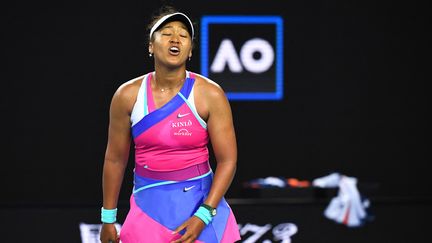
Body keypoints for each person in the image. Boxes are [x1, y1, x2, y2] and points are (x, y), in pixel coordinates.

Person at [99, 6, 241, 243]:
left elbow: (228, 161)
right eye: (166, 33)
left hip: (202, 205)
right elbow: (115, 159)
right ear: (151, 46)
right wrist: (108, 218)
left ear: (190, 52)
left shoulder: (210, 94)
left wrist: (204, 215)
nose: (175, 38)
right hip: (148, 207)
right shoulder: (127, 95)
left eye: (184, 35)